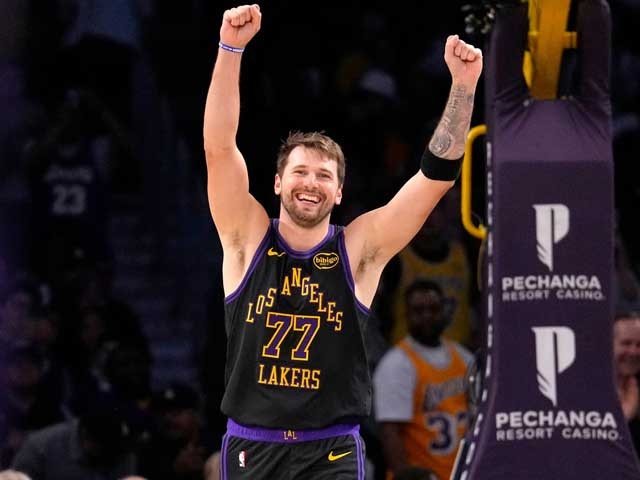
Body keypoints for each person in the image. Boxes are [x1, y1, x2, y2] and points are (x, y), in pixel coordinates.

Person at [205, 4, 482, 479]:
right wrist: (230, 48)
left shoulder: (358, 248)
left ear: (338, 192)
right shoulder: (246, 237)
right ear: (277, 182)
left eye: (323, 175)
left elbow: (434, 180)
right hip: (253, 445)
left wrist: (463, 87)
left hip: (330, 449)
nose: (310, 183)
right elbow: (219, 148)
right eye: (300, 172)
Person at [373, 280, 472, 480]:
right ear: (407, 315)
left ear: (444, 311)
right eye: (419, 310)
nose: (427, 316)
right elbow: (390, 433)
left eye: (433, 309)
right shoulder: (397, 364)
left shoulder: (462, 356)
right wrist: (406, 477)